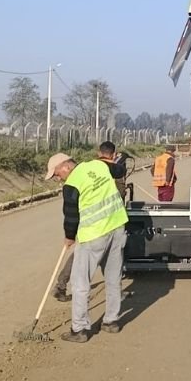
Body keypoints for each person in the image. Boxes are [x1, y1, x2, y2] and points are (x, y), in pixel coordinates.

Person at [45, 152, 129, 343]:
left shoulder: (71, 184)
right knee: (113, 278)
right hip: (117, 228)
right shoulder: (98, 165)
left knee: (80, 283)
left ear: (66, 166)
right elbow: (119, 170)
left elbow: (71, 215)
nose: (58, 179)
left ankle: (80, 329)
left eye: (57, 174)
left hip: (93, 235)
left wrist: (69, 236)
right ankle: (111, 321)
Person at [53, 141, 130, 302]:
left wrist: (70, 235)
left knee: (83, 259)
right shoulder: (103, 168)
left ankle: (61, 284)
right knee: (106, 265)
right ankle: (114, 294)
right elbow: (120, 174)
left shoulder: (93, 168)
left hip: (93, 227)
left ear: (99, 153)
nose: (58, 178)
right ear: (113, 154)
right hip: (104, 226)